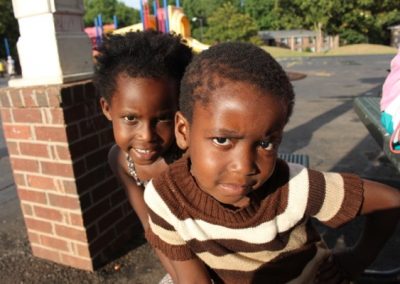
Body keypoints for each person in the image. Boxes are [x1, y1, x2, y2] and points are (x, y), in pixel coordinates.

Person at [144, 42, 400, 283]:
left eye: (265, 144)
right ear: (183, 130)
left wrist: (357, 258)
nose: (244, 166)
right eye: (222, 140)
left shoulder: (296, 187)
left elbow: (390, 201)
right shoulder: (166, 198)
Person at [94, 30, 192, 282]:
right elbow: (151, 228)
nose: (147, 136)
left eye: (162, 118)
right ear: (107, 109)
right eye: (130, 118)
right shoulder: (121, 161)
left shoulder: (192, 158)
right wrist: (177, 277)